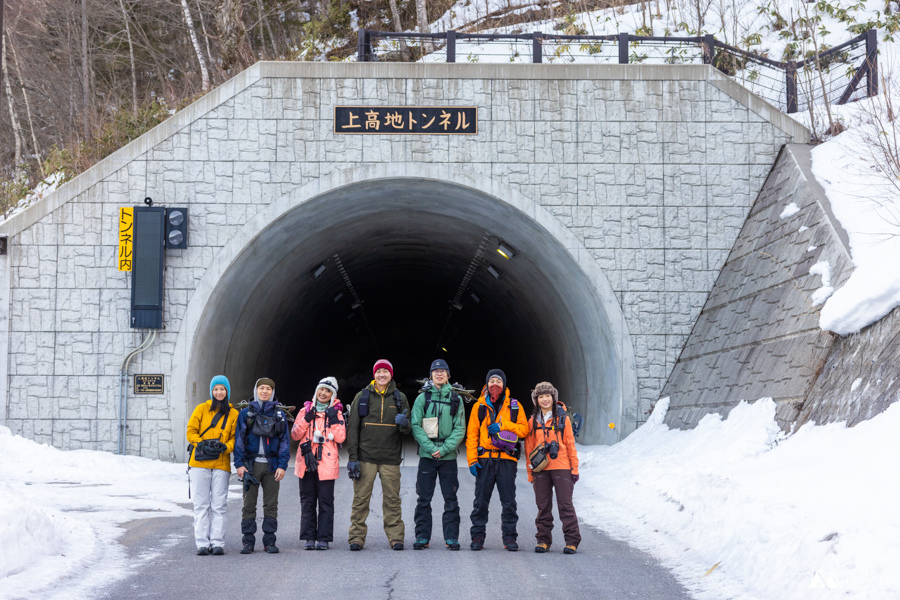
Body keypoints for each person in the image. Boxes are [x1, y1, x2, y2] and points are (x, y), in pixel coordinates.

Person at [346, 359, 412, 551]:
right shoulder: (362, 396)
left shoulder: (400, 398)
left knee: (392, 499)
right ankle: (356, 537)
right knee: (360, 499)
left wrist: (404, 424)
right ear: (373, 375)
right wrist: (352, 458)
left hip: (390, 458)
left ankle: (396, 537)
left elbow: (407, 431)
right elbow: (353, 428)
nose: (382, 375)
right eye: (378, 372)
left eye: (385, 371)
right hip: (366, 457)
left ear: (391, 375)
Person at [465, 368, 529, 551]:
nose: (495, 384)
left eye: (498, 381)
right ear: (487, 384)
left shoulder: (514, 406)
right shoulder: (479, 406)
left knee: (508, 501)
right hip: (485, 460)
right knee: (480, 501)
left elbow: (524, 430)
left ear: (504, 384)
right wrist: (472, 460)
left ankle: (509, 537)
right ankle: (477, 536)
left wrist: (503, 425)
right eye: (492, 381)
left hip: (507, 460)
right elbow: (472, 435)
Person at [410, 359, 467, 551]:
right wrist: (429, 447)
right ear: (431, 375)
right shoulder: (422, 398)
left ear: (448, 375)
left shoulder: (456, 399)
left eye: (443, 371)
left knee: (450, 499)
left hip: (448, 458)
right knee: (423, 498)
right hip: (427, 457)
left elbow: (460, 429)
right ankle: (422, 537)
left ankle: (451, 537)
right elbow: (415, 425)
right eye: (436, 371)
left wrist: (443, 450)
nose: (439, 374)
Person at [523, 381, 581, 554]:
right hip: (540, 468)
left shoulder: (563, 419)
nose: (545, 399)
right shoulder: (532, 421)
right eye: (541, 396)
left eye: (548, 395)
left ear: (554, 397)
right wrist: (530, 472)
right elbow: (528, 449)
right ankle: (543, 540)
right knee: (543, 506)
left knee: (565, 505)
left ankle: (572, 541)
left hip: (562, 466)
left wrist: (574, 469)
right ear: (536, 400)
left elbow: (570, 444)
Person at [234, 377, 290, 554]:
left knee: (271, 504)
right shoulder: (246, 414)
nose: (264, 391)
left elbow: (284, 442)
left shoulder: (278, 414)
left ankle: (269, 540)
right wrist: (239, 464)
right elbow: (239, 441)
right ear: (256, 390)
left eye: (268, 389)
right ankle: (248, 541)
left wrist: (282, 465)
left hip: (272, 466)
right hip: (251, 465)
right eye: (261, 388)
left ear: (272, 392)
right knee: (249, 504)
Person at [291, 376, 346, 550]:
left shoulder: (336, 413)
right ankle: (309, 537)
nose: (323, 393)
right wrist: (306, 419)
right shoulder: (305, 410)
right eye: (321, 390)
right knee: (307, 500)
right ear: (316, 391)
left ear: (332, 395)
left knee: (325, 501)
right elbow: (295, 434)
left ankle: (323, 538)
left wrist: (334, 420)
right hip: (307, 462)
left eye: (328, 391)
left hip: (327, 464)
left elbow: (341, 437)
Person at [186, 375, 238, 555]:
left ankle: (217, 543)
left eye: (222, 389)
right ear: (211, 391)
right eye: (216, 389)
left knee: (219, 505)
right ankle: (202, 543)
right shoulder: (201, 409)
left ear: (227, 391)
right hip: (199, 463)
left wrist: (226, 447)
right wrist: (200, 442)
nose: (219, 392)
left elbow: (235, 438)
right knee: (201, 504)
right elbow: (190, 431)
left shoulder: (233, 414)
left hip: (221, 464)